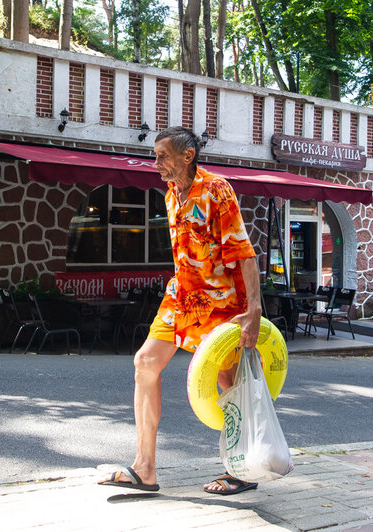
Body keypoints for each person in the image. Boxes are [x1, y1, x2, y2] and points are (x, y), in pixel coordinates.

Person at [99, 127, 262, 496]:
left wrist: (254, 309)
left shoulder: (217, 189)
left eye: (162, 156)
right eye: (155, 157)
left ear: (187, 156)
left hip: (220, 299)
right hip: (181, 296)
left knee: (228, 380)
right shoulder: (172, 193)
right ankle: (145, 469)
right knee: (145, 362)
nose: (155, 163)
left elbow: (243, 251)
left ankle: (243, 468)